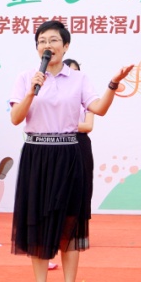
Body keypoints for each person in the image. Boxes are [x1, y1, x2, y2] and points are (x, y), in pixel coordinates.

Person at [9, 20, 132, 282]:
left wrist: (113, 84)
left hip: (68, 154)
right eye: (42, 41)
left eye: (54, 40)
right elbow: (15, 118)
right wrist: (31, 92)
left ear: (65, 46)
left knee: (69, 225)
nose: (47, 45)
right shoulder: (26, 77)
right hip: (37, 155)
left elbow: (99, 109)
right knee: (37, 224)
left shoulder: (79, 79)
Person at [63, 58, 96, 220]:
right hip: (60, 144)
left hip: (81, 144)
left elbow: (88, 126)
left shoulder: (87, 98)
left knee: (82, 186)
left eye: (76, 71)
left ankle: (78, 226)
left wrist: (62, 124)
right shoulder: (53, 96)